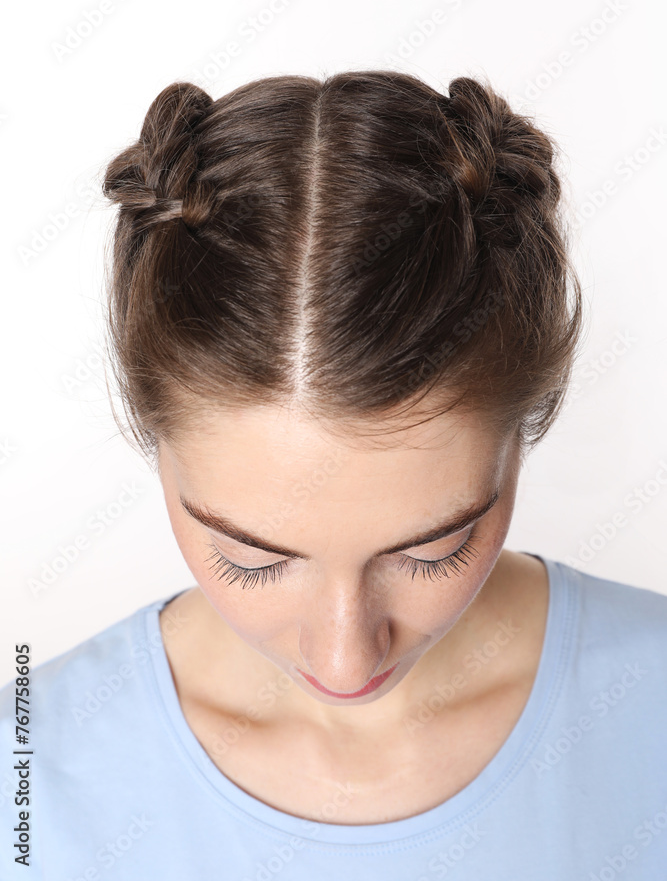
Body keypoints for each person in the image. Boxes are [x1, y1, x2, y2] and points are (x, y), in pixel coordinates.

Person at [2, 70, 667, 880]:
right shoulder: (27, 775)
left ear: (522, 432)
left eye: (434, 551)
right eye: (252, 559)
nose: (347, 661)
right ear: (154, 438)